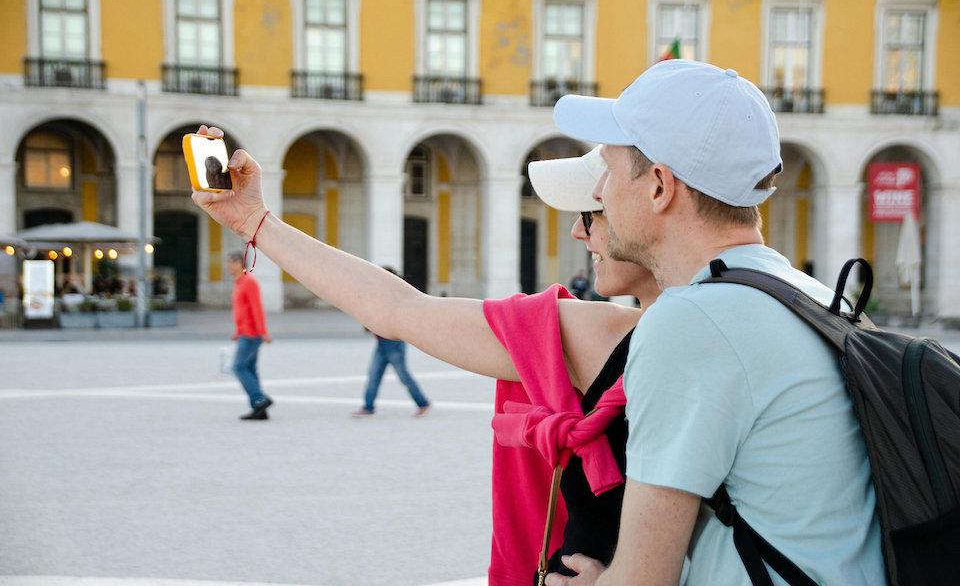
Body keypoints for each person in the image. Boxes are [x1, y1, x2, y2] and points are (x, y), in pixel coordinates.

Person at [192, 132, 661, 586]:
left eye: (594, 210)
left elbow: (399, 311)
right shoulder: (604, 336)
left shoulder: (606, 338)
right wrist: (254, 222)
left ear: (661, 195)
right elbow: (397, 309)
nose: (579, 229)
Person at [543, 60, 884, 586]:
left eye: (609, 169)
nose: (597, 193)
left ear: (660, 185)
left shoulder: (690, 323)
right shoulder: (810, 295)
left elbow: (641, 580)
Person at [351, 266, 432, 418]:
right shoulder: (380, 294)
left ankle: (422, 402)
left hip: (393, 343)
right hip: (382, 342)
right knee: (374, 374)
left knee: (403, 375)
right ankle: (368, 407)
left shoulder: (394, 296)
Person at [226, 249, 274, 420]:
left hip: (252, 333)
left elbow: (256, 308)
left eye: (230, 262)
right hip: (244, 332)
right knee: (250, 368)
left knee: (238, 367)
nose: (228, 266)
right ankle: (259, 408)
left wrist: (263, 332)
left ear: (239, 263)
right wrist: (237, 331)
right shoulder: (239, 282)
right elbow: (242, 310)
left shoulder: (249, 282)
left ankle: (259, 399)